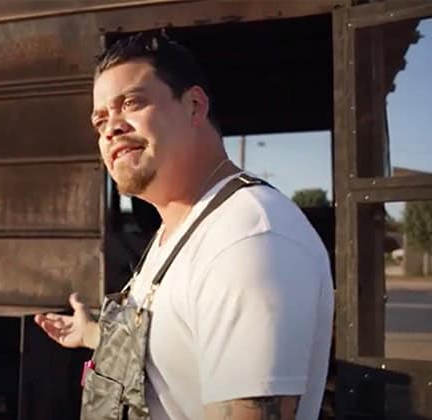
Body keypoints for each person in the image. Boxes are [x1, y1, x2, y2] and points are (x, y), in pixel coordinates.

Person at [34, 32, 334, 420]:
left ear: (194, 106)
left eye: (131, 103)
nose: (111, 129)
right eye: (100, 120)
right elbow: (171, 343)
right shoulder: (178, 228)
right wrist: (92, 334)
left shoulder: (247, 239)